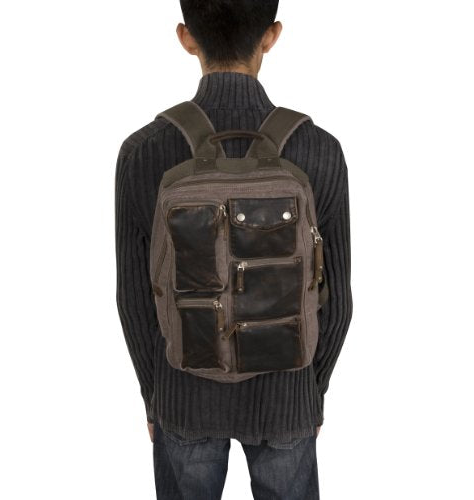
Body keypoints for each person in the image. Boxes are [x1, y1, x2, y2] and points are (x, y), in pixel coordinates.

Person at [114, 1, 353, 498]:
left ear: (186, 37)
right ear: (272, 35)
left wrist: (156, 397)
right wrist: (311, 395)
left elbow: (133, 297)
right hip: (287, 399)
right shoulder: (319, 150)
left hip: (183, 396)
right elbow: (338, 300)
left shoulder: (143, 151)